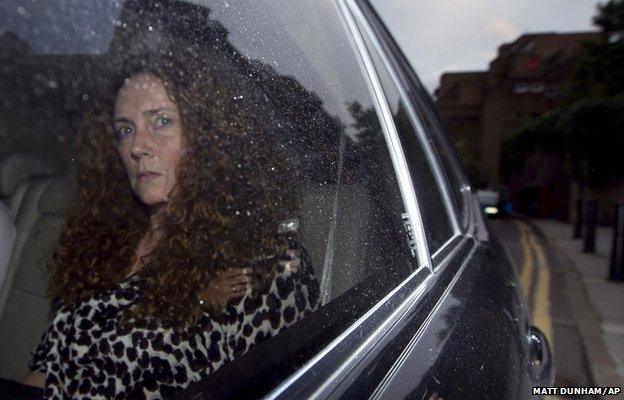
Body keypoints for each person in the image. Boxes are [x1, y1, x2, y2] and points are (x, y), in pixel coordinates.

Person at [20, 54, 320, 399]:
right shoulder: (100, 243)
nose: (136, 146)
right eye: (124, 130)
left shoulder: (264, 262)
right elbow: (49, 371)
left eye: (161, 121)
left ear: (206, 136)